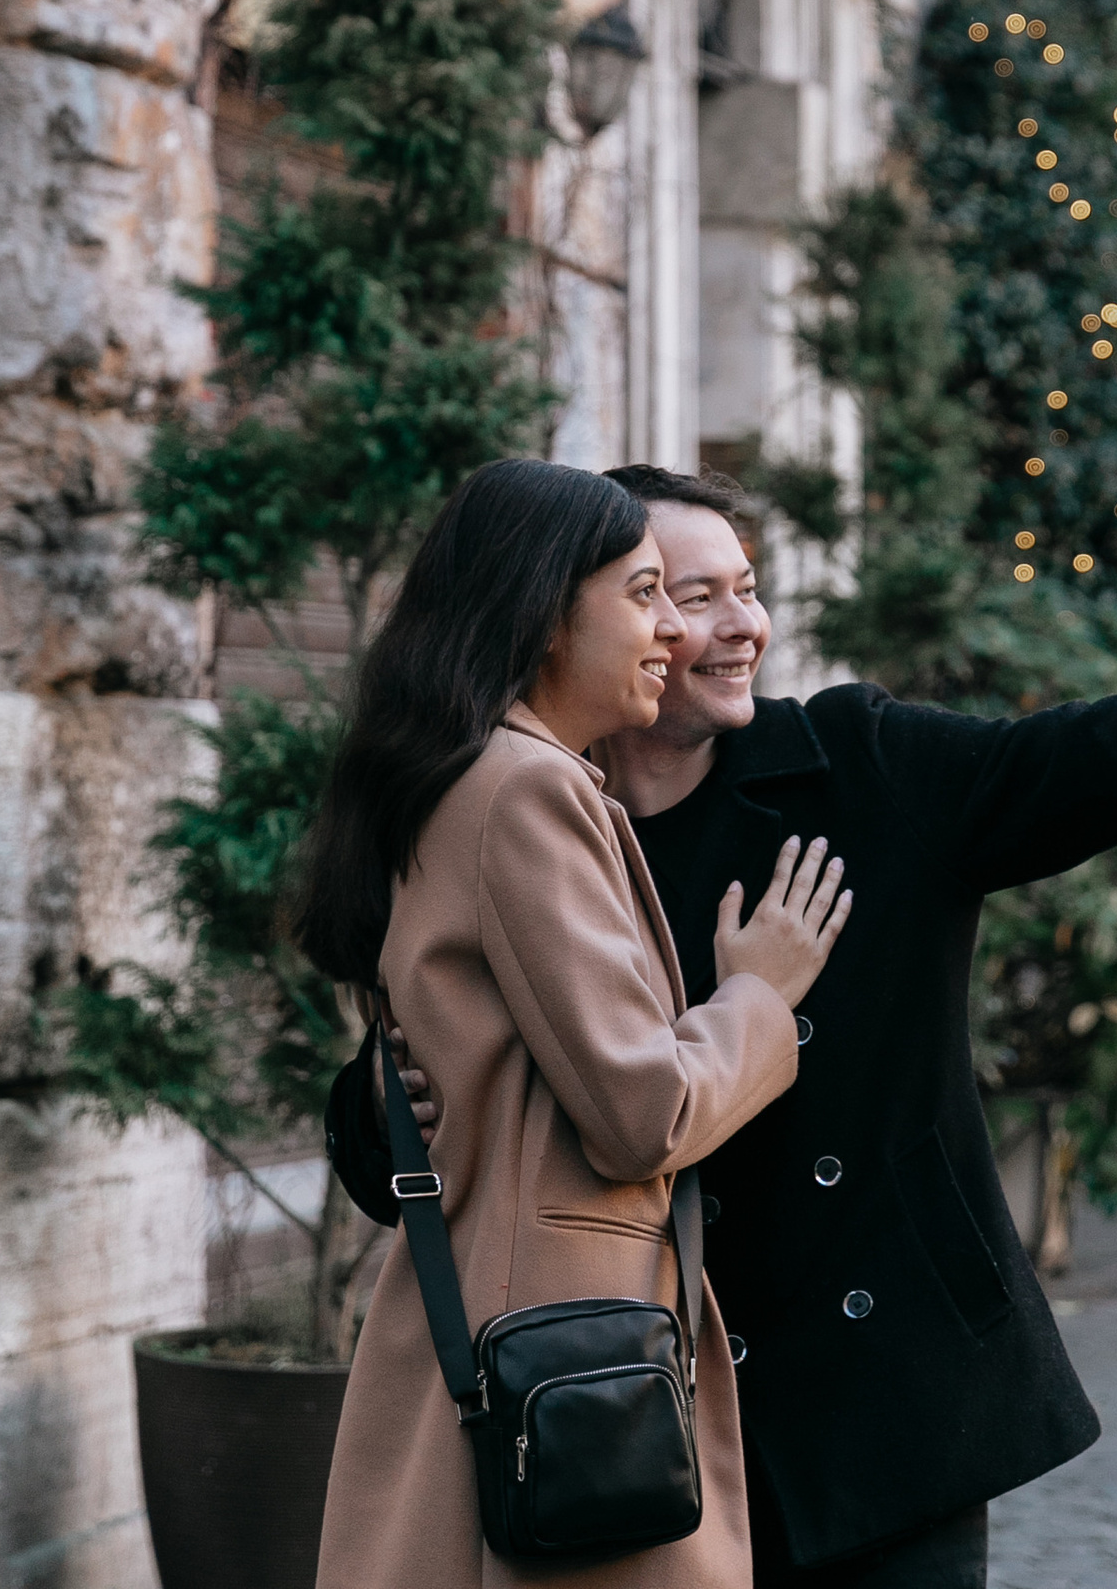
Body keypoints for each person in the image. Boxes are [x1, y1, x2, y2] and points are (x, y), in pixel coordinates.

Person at [331, 464, 1117, 1589]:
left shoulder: (865, 772)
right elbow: (441, 1076)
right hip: (635, 1399)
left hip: (886, 1399)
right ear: (575, 611)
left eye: (740, 592)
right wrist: (387, 1107)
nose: (722, 627)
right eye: (674, 593)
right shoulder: (539, 805)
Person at [303, 458, 855, 1589]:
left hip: (503, 1318)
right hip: (564, 1353)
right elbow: (640, 1114)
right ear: (548, 614)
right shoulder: (526, 789)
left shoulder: (476, 773)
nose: (674, 632)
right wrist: (759, 992)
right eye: (646, 594)